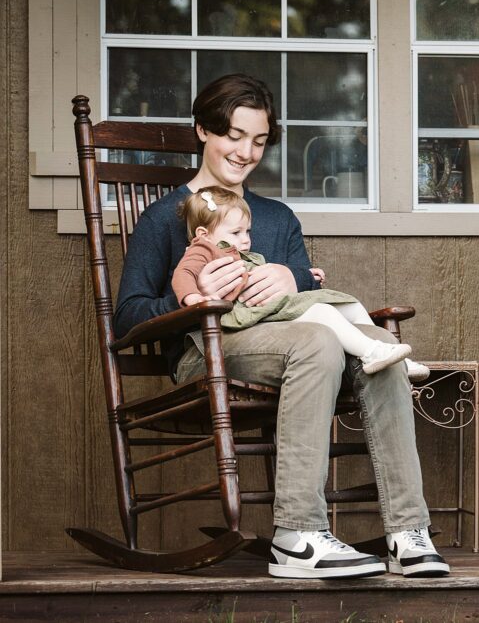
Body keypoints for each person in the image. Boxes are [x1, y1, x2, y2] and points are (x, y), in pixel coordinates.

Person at [113, 73, 449, 579]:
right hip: (205, 353)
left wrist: (290, 277)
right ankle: (298, 534)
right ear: (203, 130)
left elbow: (307, 302)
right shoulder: (166, 218)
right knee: (316, 340)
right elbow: (128, 316)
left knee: (378, 342)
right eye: (234, 135)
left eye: (259, 140)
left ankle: (407, 530)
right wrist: (197, 293)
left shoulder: (276, 218)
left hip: (286, 345)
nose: (246, 151)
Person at [171, 186, 430, 380]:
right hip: (249, 316)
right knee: (323, 312)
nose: (246, 239)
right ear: (203, 234)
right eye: (236, 233)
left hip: (273, 308)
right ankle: (371, 353)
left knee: (350, 305)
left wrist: (304, 275)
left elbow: (269, 276)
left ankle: (392, 361)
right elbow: (183, 275)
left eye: (247, 231)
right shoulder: (202, 249)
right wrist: (194, 298)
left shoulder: (238, 252)